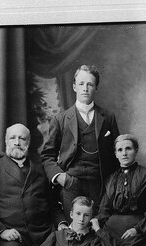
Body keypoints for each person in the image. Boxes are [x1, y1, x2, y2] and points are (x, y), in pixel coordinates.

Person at [40, 64, 120, 216]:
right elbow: (47, 156)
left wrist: (112, 183)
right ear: (74, 87)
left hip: (100, 184)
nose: (85, 88)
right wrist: (60, 177)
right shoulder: (60, 119)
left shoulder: (108, 117)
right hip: (71, 184)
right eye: (81, 84)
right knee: (75, 232)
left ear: (96, 88)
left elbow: (117, 153)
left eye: (90, 84)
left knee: (98, 228)